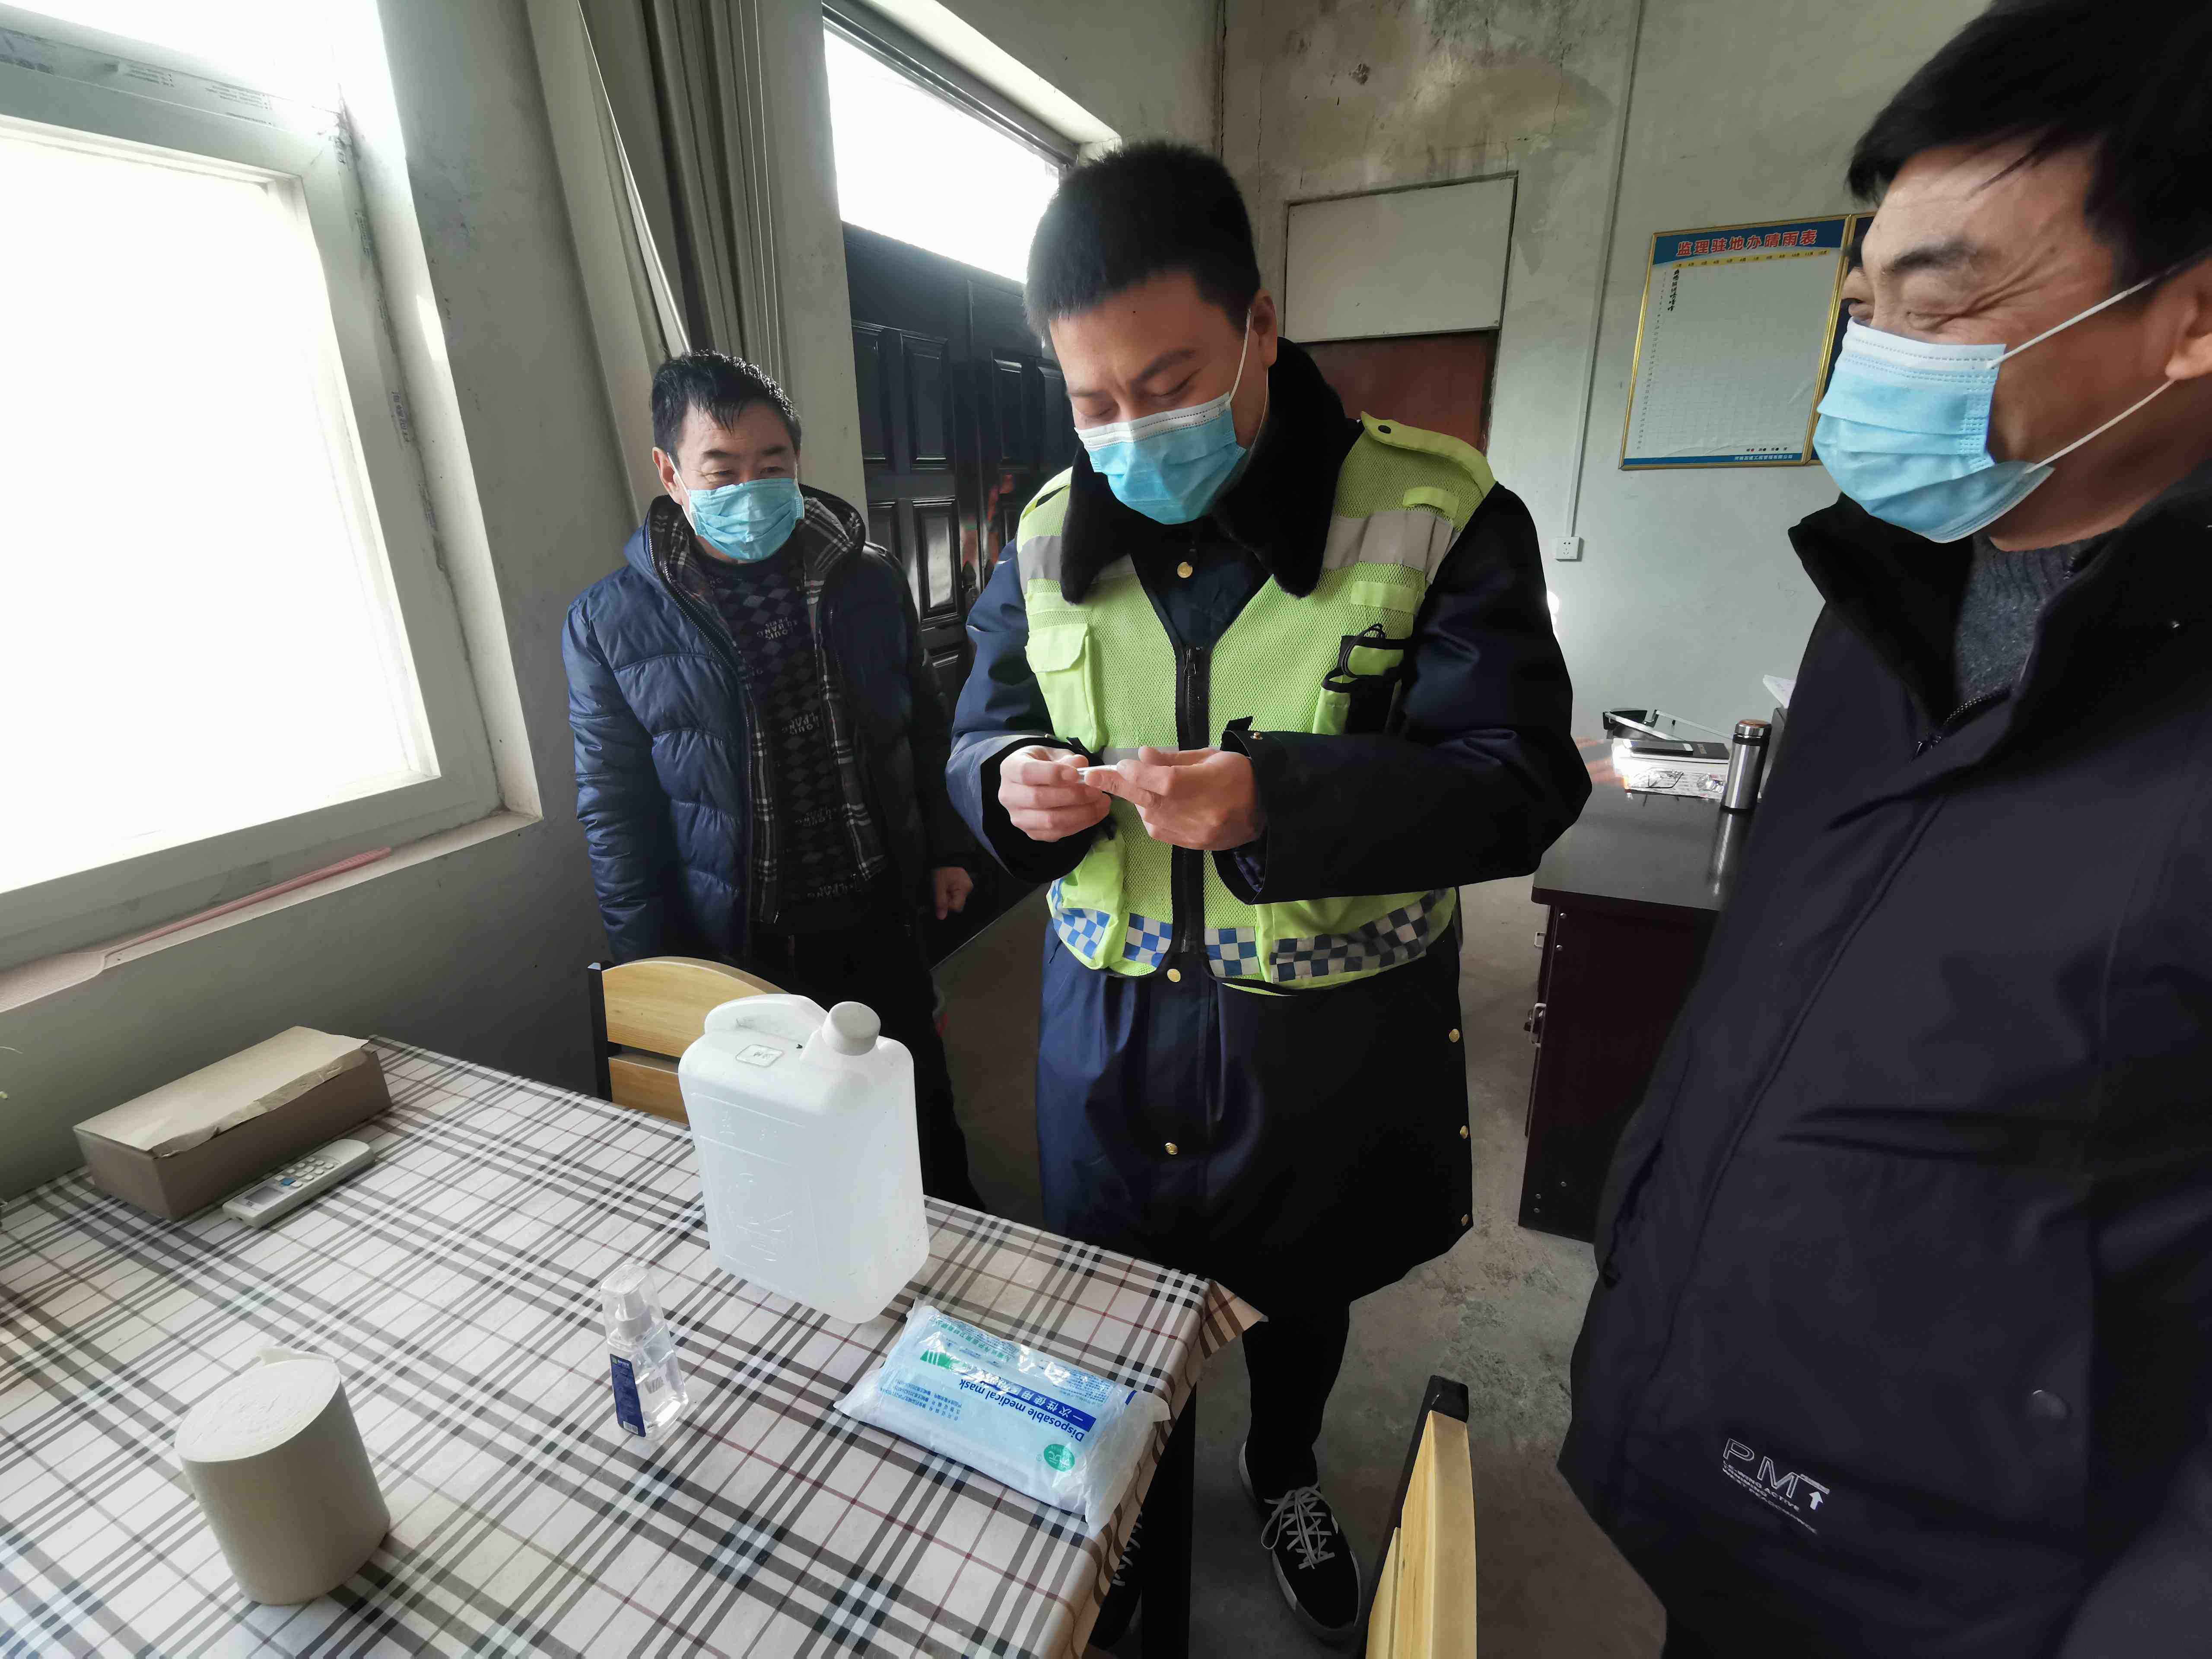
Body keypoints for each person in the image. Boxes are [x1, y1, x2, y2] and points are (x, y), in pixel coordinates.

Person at [1560, 4, 2212, 1654]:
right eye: (1866, 309)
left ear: (2191, 314)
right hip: (1744, 1472)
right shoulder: (1881, 608)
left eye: (1940, 301)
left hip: (1986, 1592)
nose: (1877, 359)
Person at [947, 142, 1587, 1645]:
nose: (1130, 430)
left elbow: (1518, 782)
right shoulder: (1042, 535)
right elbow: (978, 727)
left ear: (1261, 325)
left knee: (1302, 1291)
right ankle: (1134, 1506)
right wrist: (1005, 781)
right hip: (1109, 1034)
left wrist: (1277, 800)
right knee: (1119, 1313)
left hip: (1321, 1041)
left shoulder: (1434, 510)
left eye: (1168, 382)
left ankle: (1284, 1462)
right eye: (1093, 400)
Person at [564, 351, 983, 1207]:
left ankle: (946, 1238)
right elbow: (615, 811)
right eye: (722, 471)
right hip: (742, 937)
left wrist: (946, 847)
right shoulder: (609, 623)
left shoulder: (866, 579)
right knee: (779, 1146)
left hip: (875, 908)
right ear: (671, 474)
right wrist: (652, 970)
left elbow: (923, 725)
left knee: (914, 1113)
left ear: (797, 461)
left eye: (772, 465)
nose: (750, 490)